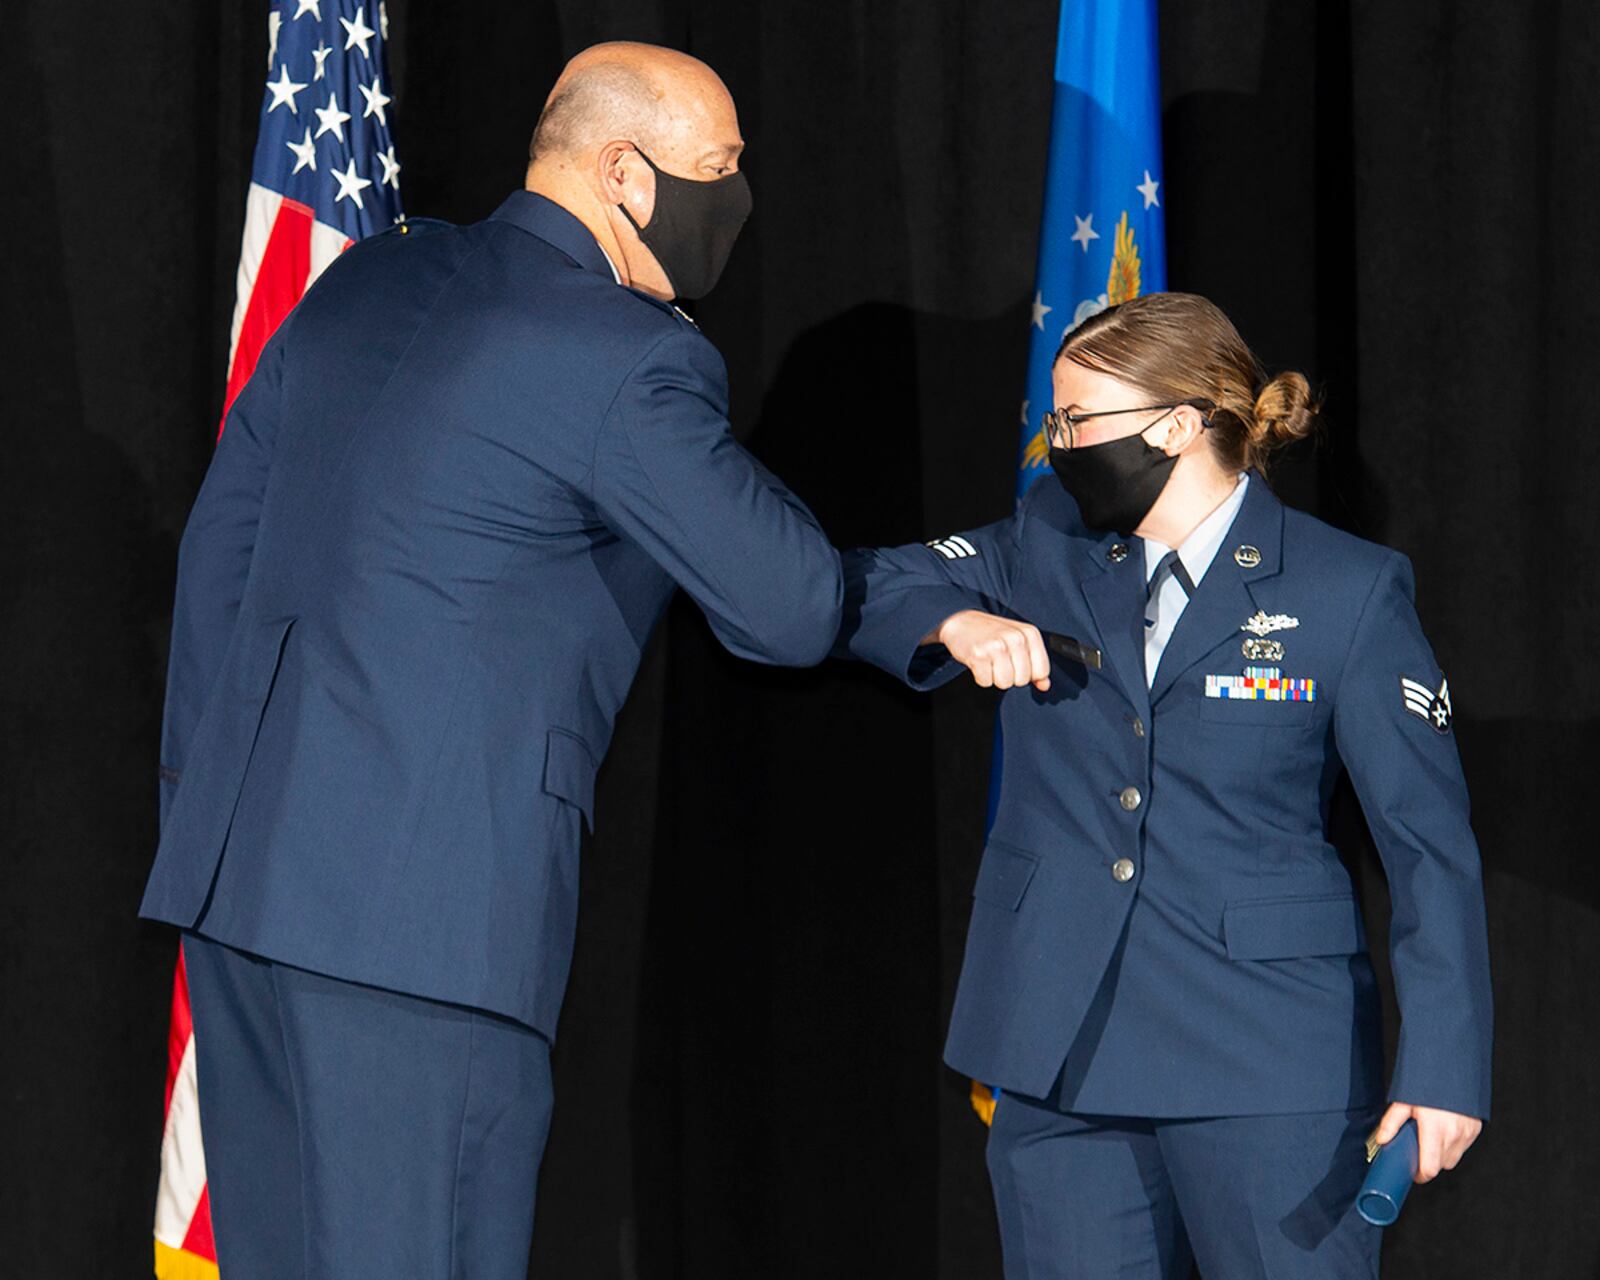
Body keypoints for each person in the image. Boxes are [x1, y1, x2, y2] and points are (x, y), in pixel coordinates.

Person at [139, 42, 841, 1280]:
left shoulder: (366, 281)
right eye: (721, 169)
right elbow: (789, 601)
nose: (740, 200)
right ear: (628, 175)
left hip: (240, 893)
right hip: (425, 933)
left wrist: (208, 817)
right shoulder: (629, 356)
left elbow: (219, 562)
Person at [834, 292, 1491, 1278]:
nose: (1054, 444)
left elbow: (1424, 841)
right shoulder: (1046, 541)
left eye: (1075, 420)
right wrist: (954, 624)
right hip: (1060, 1052)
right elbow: (867, 580)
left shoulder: (1342, 588)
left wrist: (1443, 1066)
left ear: (1177, 425)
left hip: (1264, 1057)